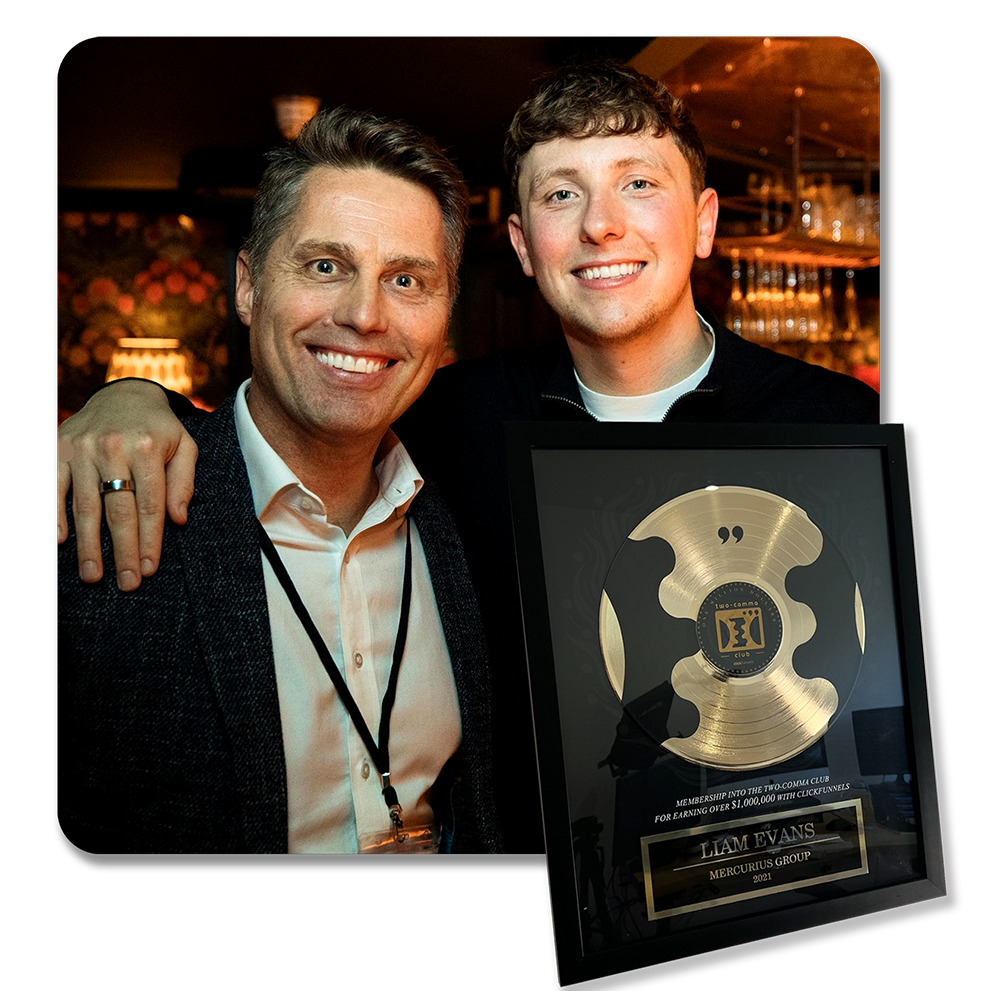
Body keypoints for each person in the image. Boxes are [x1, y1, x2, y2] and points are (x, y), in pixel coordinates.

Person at [57, 61, 879, 857]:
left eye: (637, 182)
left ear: (702, 221)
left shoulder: (842, 426)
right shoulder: (454, 422)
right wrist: (132, 396)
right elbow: (309, 411)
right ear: (522, 244)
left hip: (788, 864)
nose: (601, 225)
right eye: (561, 194)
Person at [56, 106, 504, 854]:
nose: (365, 315)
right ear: (248, 285)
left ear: (445, 316)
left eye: (406, 279)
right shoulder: (103, 515)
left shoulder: (468, 508)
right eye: (325, 266)